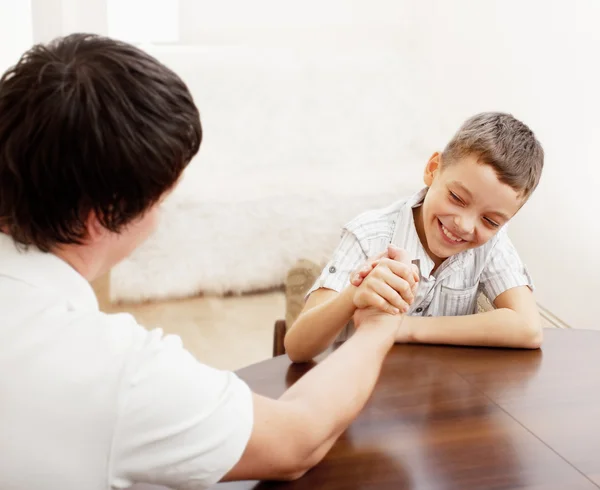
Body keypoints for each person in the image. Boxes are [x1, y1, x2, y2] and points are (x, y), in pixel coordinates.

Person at [0, 33, 404, 489]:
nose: (160, 214)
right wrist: (377, 330)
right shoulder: (114, 372)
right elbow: (297, 440)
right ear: (100, 217)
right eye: (160, 199)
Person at [285, 112, 544, 363]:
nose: (464, 226)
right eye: (456, 198)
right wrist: (353, 294)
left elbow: (529, 327)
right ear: (433, 169)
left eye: (490, 221)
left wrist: (406, 328)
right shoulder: (368, 236)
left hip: (434, 396)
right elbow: (297, 348)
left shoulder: (492, 243)